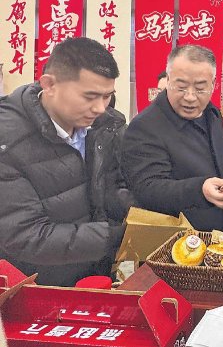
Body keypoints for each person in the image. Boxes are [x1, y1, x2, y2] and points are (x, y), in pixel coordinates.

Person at [0, 37, 132, 286]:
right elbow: (25, 235)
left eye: (107, 96)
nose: (100, 108)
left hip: (96, 276)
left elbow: (114, 185)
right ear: (49, 85)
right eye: (89, 96)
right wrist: (115, 236)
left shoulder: (105, 125)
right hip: (36, 287)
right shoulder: (8, 141)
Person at [121, 45, 223, 232]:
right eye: (181, 87)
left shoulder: (213, 114)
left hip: (215, 235)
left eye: (200, 88)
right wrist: (200, 189)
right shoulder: (145, 126)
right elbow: (147, 189)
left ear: (214, 84)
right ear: (168, 80)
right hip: (171, 241)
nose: (190, 97)